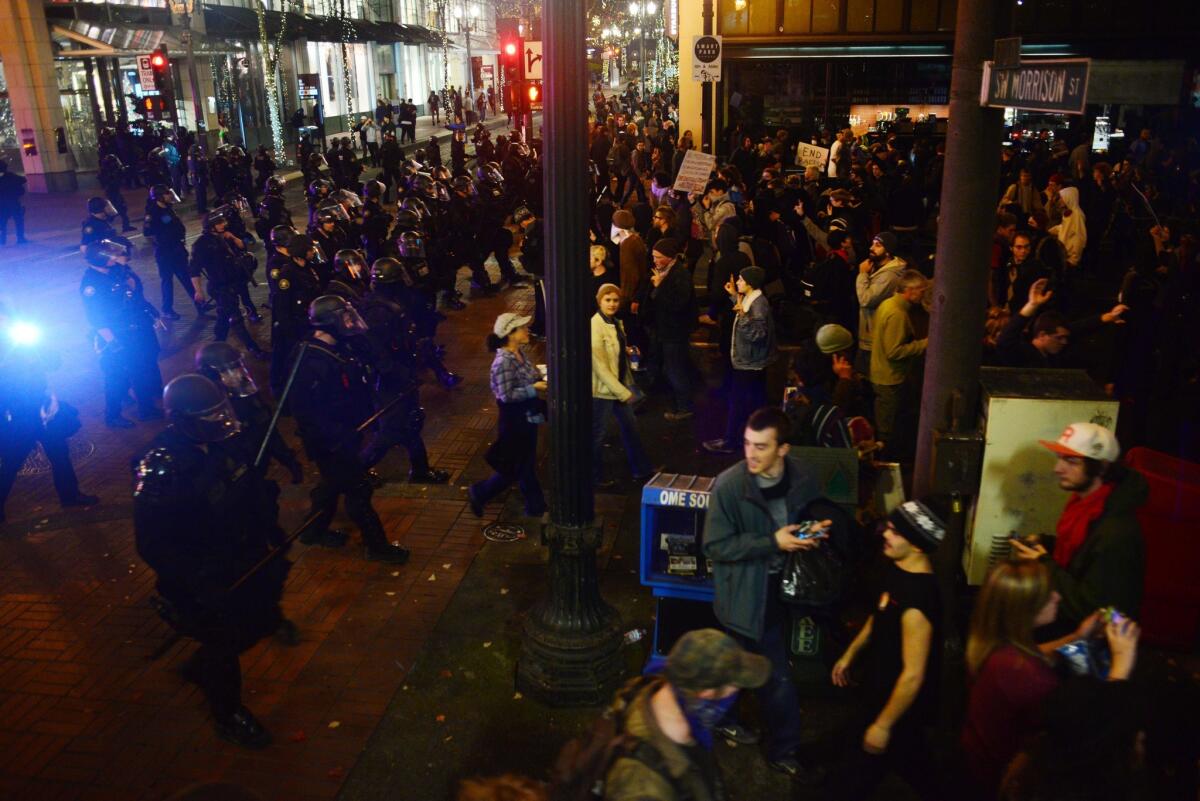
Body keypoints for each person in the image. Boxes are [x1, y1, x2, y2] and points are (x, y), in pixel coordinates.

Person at [133, 374, 294, 748]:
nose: (219, 423)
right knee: (223, 642)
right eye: (208, 417)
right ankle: (228, 712)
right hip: (200, 575)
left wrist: (269, 528)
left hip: (237, 555)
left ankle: (199, 664)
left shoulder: (223, 441)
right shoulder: (162, 466)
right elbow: (153, 543)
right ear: (182, 420)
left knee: (255, 618)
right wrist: (198, 580)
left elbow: (248, 488)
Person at [702, 407, 827, 782]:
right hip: (745, 596)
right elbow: (715, 546)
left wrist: (811, 531)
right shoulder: (729, 486)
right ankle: (784, 750)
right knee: (776, 678)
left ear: (783, 449)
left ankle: (724, 719)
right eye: (746, 444)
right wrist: (772, 541)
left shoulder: (803, 477)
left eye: (761, 446)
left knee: (734, 663)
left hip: (785, 589)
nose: (750, 454)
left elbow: (805, 515)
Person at [961, 560, 1141, 799]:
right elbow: (1092, 732)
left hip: (977, 760)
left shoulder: (993, 646)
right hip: (1002, 780)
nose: (1058, 597)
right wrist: (1122, 662)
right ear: (1025, 610)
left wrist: (1077, 636)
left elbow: (1034, 654)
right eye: (1048, 595)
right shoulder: (1035, 682)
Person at [831, 500, 946, 800]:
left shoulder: (918, 602)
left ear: (918, 546)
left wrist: (883, 725)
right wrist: (849, 654)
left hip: (897, 708)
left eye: (896, 532)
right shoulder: (897, 569)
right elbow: (878, 617)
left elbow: (913, 675)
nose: (885, 534)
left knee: (858, 776)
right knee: (917, 767)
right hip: (878, 693)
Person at [288, 296, 412, 562]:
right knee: (358, 490)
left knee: (331, 486)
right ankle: (377, 547)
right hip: (331, 441)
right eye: (343, 318)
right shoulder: (310, 361)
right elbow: (307, 411)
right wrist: (336, 439)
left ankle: (313, 532)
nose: (348, 322)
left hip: (345, 433)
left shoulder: (337, 348)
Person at [602, 629, 771, 800]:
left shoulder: (652, 687)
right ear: (707, 694)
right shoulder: (640, 785)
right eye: (734, 686)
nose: (736, 691)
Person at [1010, 422, 1148, 630]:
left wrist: (1044, 563)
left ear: (1101, 467)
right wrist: (1046, 544)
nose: (1058, 469)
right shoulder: (1087, 505)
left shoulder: (1117, 532)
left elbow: (1094, 608)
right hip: (1067, 620)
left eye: (1072, 461)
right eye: (1060, 459)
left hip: (1088, 640)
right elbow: (1084, 554)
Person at [0, 304, 98, 524]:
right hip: (18, 416)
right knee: (12, 462)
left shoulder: (24, 340)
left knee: (59, 454)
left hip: (43, 409)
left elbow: (54, 363)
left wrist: (40, 348)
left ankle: (70, 496)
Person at [468, 313, 547, 519]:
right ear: (511, 334)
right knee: (520, 466)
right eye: (522, 327)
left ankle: (534, 506)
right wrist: (533, 388)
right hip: (514, 421)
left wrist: (540, 374)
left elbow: (528, 375)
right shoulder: (503, 362)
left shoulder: (519, 353)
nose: (527, 330)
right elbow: (506, 395)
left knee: (522, 464)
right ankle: (483, 493)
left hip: (527, 417)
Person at [80, 240, 164, 428]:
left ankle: (145, 407)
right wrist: (113, 342)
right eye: (109, 256)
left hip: (136, 330)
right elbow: (96, 318)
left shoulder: (115, 272)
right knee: (116, 377)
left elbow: (134, 297)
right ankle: (113, 416)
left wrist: (151, 314)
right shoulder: (91, 285)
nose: (114, 258)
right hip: (118, 335)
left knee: (140, 369)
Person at [704, 267, 776, 455]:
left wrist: (742, 316)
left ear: (751, 283)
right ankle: (758, 440)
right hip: (751, 361)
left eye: (741, 280)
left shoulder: (759, 304)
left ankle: (731, 441)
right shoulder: (751, 299)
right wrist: (734, 297)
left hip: (750, 362)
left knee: (738, 402)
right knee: (753, 402)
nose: (738, 282)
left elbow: (757, 334)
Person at [591, 284, 653, 488]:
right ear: (599, 301)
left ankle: (642, 469)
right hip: (603, 390)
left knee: (630, 427)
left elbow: (613, 350)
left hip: (617, 385)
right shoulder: (595, 326)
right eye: (607, 300)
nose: (612, 304)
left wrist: (626, 350)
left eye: (615, 300)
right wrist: (623, 392)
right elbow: (599, 367)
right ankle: (594, 477)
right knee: (597, 434)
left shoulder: (615, 322)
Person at [996, 279, 1127, 369]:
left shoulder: (1053, 355)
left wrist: (1108, 317)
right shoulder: (1023, 354)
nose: (1064, 342)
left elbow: (1078, 328)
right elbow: (1005, 340)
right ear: (1042, 335)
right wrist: (1032, 305)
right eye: (1059, 338)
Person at [190, 209, 268, 358]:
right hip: (221, 287)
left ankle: (216, 345)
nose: (224, 224)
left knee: (223, 319)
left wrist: (232, 237)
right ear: (211, 226)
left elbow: (241, 247)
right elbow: (194, 270)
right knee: (236, 319)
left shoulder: (224, 237)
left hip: (234, 283)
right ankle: (254, 349)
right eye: (220, 223)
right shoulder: (201, 245)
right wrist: (198, 291)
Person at [869, 270, 929, 457]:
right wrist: (925, 343)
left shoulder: (887, 304)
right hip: (890, 377)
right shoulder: (897, 314)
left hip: (880, 371)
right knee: (887, 427)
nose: (923, 294)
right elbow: (894, 351)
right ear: (909, 291)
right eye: (921, 290)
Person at [646, 238, 696, 421]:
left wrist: (659, 287)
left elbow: (677, 304)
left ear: (668, 257)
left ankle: (684, 407)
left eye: (658, 257)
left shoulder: (679, 274)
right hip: (666, 329)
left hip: (674, 331)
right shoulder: (666, 270)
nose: (655, 260)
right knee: (673, 367)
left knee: (675, 369)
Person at [853, 231, 906, 375]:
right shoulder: (878, 267)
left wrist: (862, 274)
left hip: (873, 338)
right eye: (872, 243)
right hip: (868, 332)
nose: (872, 248)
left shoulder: (889, 277)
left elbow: (866, 299)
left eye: (878, 245)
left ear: (888, 252)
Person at [143, 184, 195, 321]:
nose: (169, 196)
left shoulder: (168, 208)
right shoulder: (152, 212)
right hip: (165, 253)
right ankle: (167, 309)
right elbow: (147, 232)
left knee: (186, 276)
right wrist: (161, 238)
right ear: (160, 196)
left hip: (177, 248)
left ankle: (199, 302)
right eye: (166, 194)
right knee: (167, 281)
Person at [0, 159, 27, 245]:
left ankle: (2, 240)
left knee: (2, 222)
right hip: (13, 202)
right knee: (18, 220)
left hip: (2, 204)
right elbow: (23, 180)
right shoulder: (11, 176)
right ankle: (20, 238)